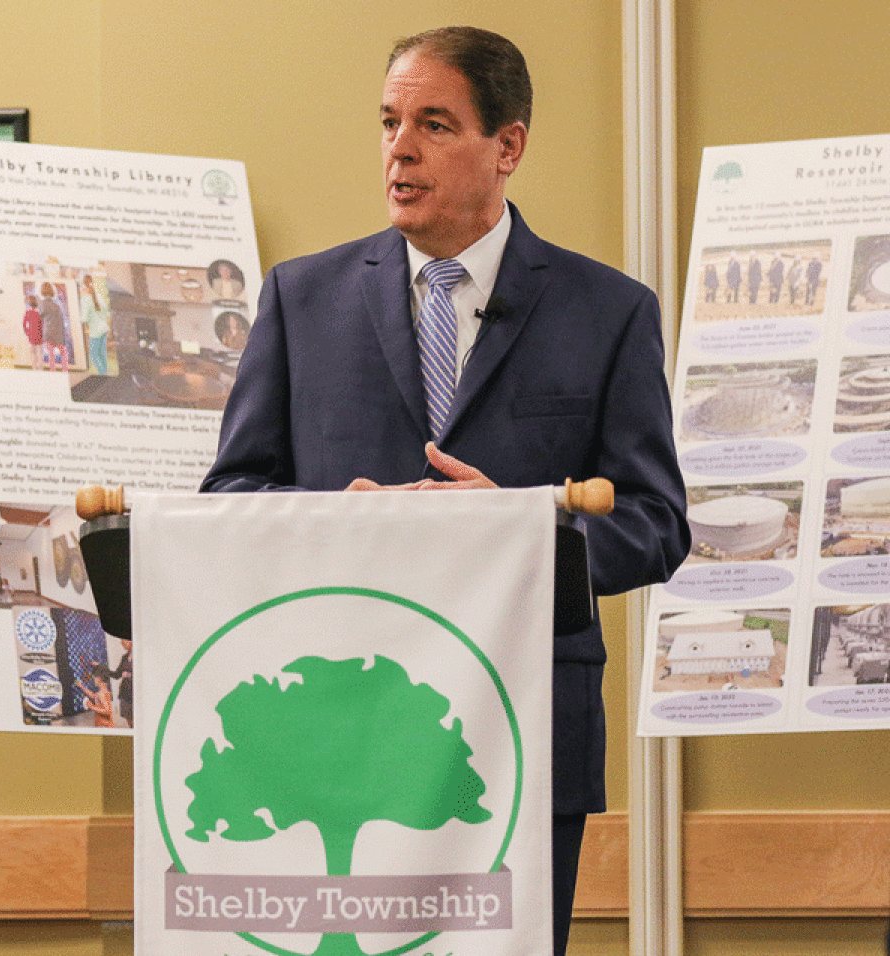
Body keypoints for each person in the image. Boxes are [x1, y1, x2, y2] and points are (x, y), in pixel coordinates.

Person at [200, 26, 689, 956]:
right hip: (328, 730)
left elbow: (656, 523)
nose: (400, 149)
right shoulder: (302, 299)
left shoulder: (608, 311)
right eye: (389, 122)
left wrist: (515, 528)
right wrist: (339, 524)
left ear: (507, 146)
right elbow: (232, 491)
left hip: (517, 734)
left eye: (433, 123)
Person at [81, 274, 111, 375]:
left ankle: (103, 374)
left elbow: (84, 318)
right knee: (102, 354)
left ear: (83, 285)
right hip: (103, 329)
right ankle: (104, 374)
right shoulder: (98, 296)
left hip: (95, 332)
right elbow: (106, 313)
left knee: (94, 355)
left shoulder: (85, 299)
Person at [39, 282, 68, 372]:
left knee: (51, 355)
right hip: (58, 331)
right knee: (63, 352)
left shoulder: (41, 304)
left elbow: (39, 317)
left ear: (42, 291)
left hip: (48, 332)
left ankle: (53, 373)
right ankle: (65, 371)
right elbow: (62, 319)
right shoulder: (57, 304)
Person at [22, 295, 43, 369]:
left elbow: (24, 324)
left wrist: (27, 332)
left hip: (31, 335)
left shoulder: (27, 312)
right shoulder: (39, 312)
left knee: (33, 352)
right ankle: (40, 367)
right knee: (39, 352)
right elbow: (42, 324)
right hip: (39, 335)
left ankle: (34, 367)